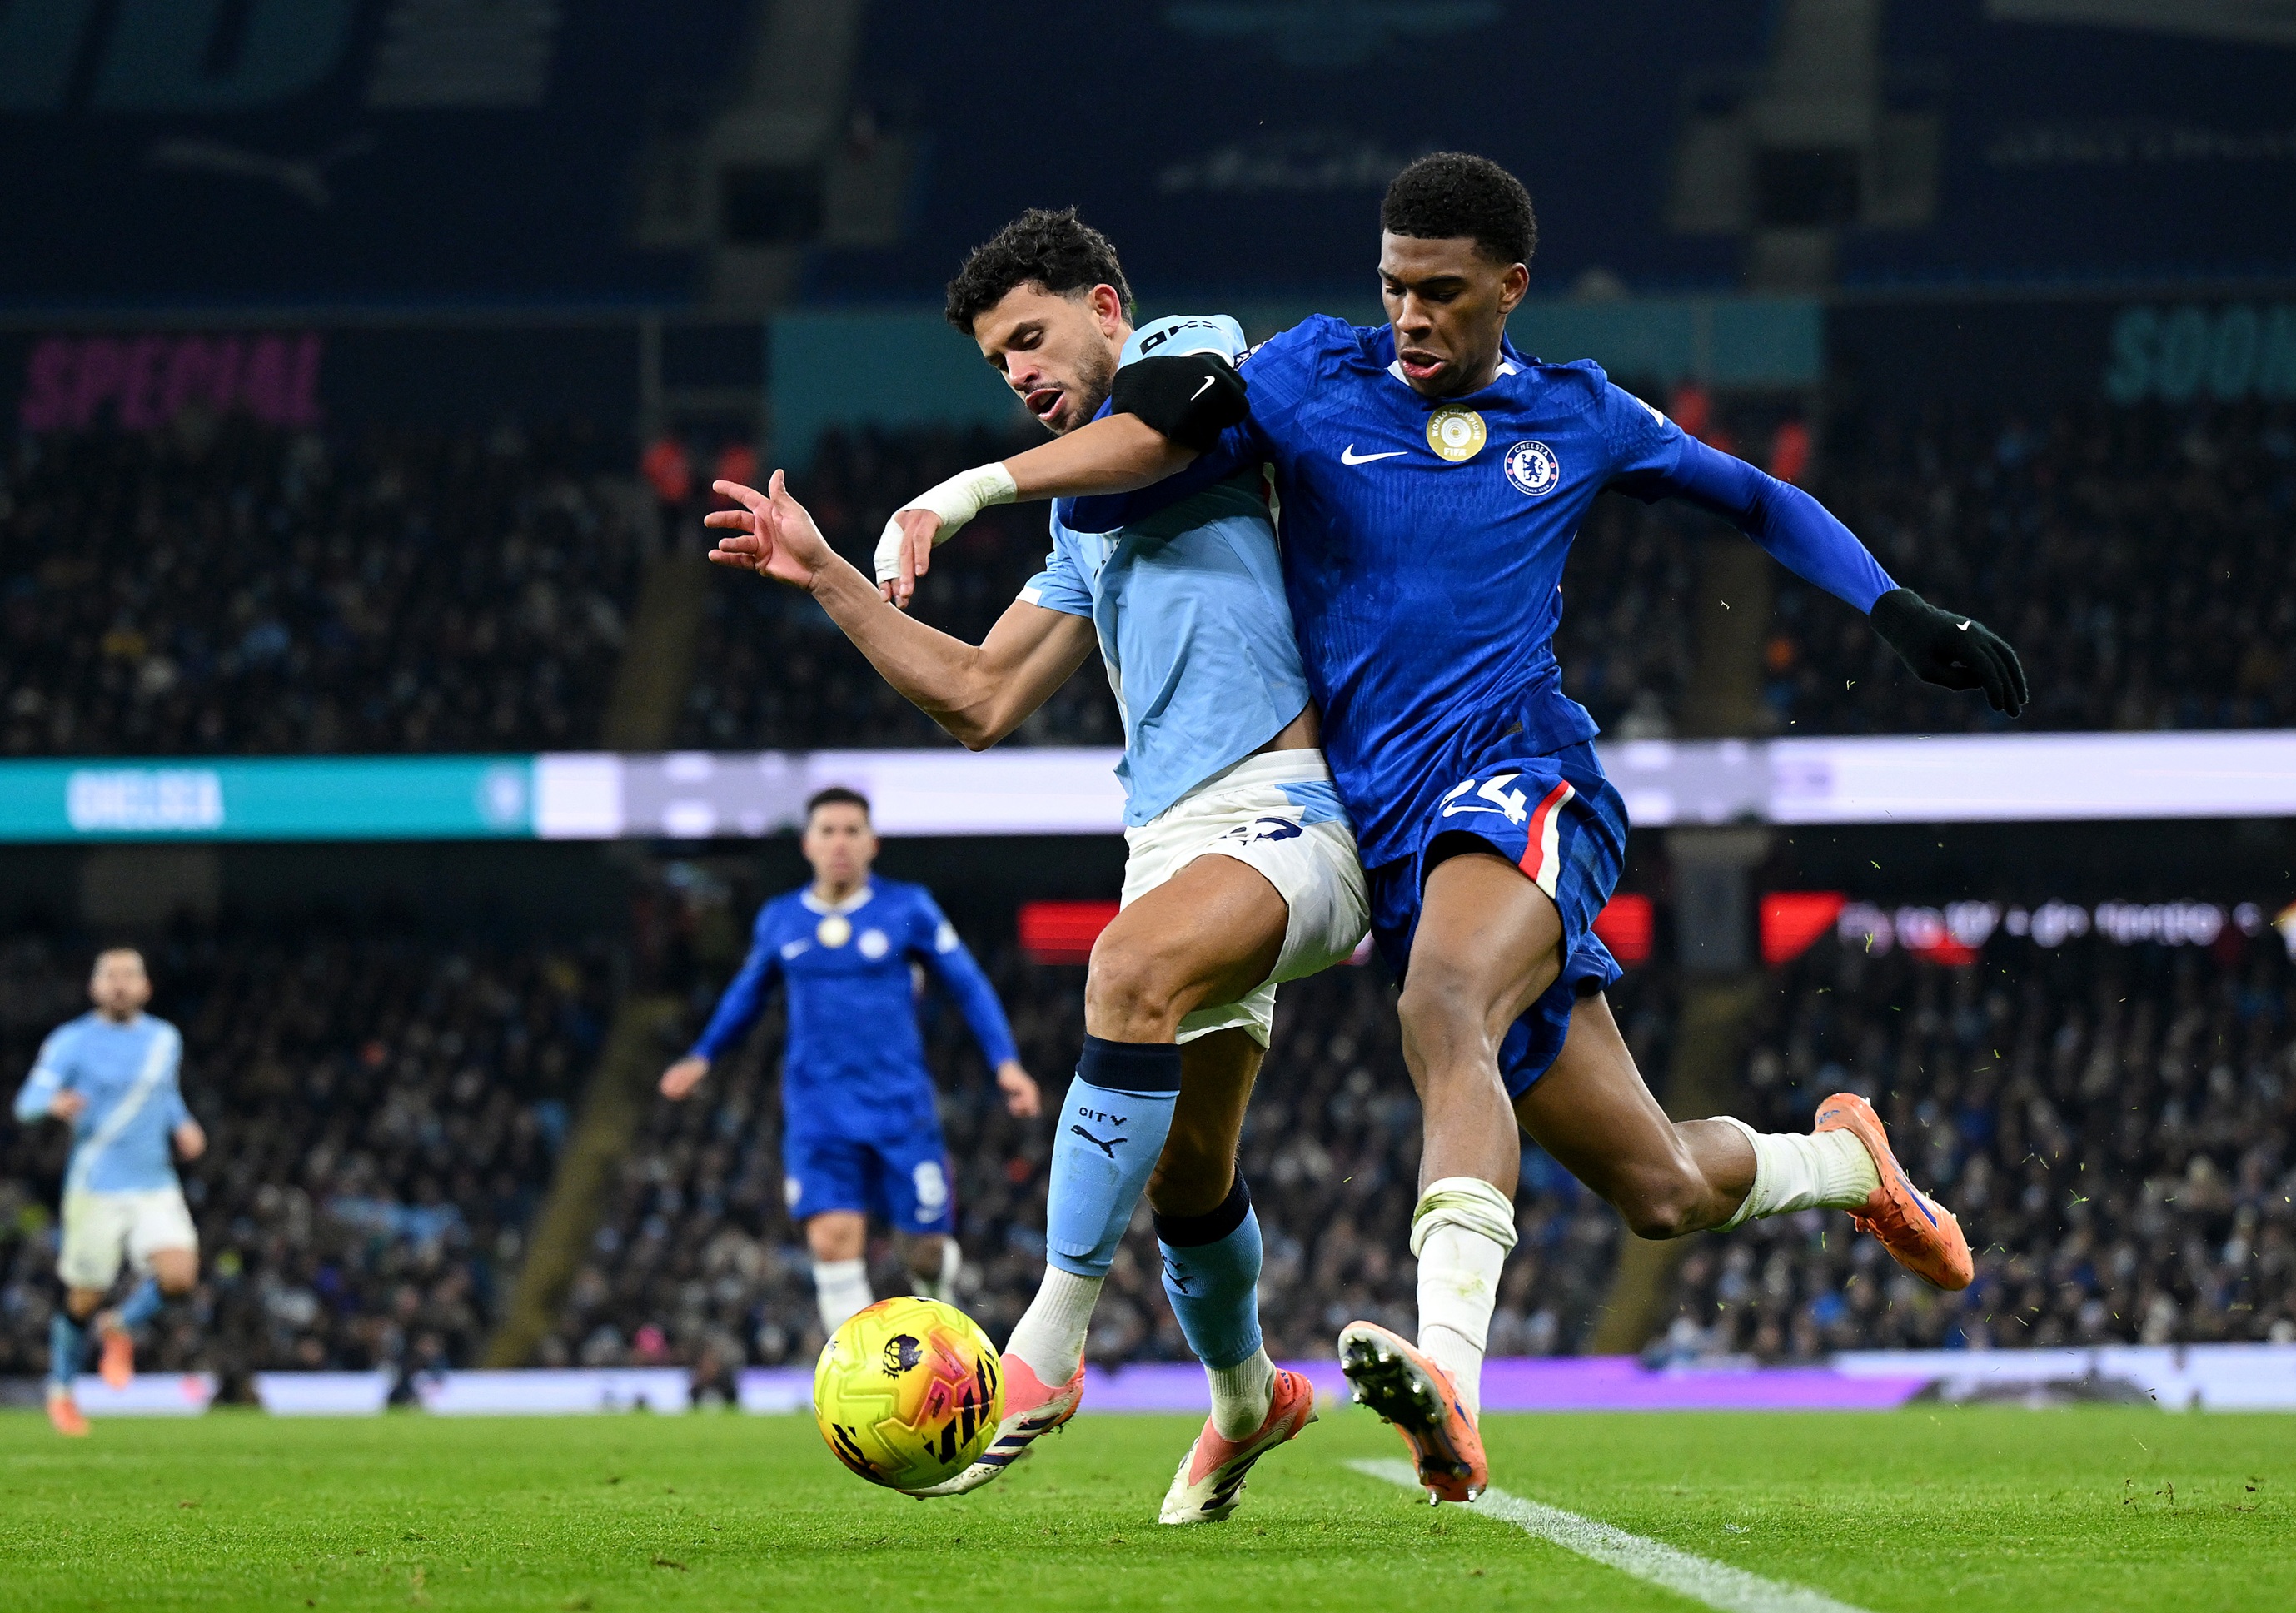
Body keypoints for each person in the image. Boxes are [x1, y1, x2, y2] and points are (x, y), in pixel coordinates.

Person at [864, 154, 2026, 1502]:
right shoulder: (1314, 378)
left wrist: (1897, 609)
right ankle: (1844, 1161)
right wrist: (972, 493)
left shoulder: (1579, 415)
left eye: (1441, 293)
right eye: (1393, 285)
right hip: (1397, 836)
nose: (1410, 316)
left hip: (1525, 775)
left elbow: (1753, 496)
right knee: (1658, 1182)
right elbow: (1156, 448)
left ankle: (1454, 1391)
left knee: (1445, 1003)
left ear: (1509, 289)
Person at [704, 208, 1367, 1523]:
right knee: (1189, 1175)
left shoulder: (1192, 362)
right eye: (995, 360)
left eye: (1029, 336)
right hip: (1171, 838)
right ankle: (1249, 1402)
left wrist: (954, 493)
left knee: (1121, 973)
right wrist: (834, 574)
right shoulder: (1086, 524)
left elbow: (1161, 428)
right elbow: (979, 697)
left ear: (1107, 307)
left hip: (1298, 808)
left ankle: (1046, 1352)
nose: (1013, 370)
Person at [660, 787, 1038, 1353]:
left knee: (923, 1251)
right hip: (818, 1110)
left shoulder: (907, 907)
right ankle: (865, 1377)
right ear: (808, 843)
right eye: (828, 830)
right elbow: (746, 994)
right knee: (833, 1241)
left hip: (899, 1106)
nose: (840, 842)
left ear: (872, 842)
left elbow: (967, 982)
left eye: (851, 830)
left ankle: (938, 1294)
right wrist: (702, 1054)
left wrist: (1005, 1062)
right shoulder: (781, 918)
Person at [12, 948, 207, 1438]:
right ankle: (61, 1393)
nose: (119, 984)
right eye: (110, 976)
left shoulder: (165, 1039)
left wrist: (183, 1125)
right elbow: (26, 1102)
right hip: (95, 1187)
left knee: (180, 1273)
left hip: (154, 1182)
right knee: (82, 1298)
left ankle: (118, 1324)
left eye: (129, 976)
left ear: (146, 987)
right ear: (94, 987)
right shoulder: (71, 1041)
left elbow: (163, 1095)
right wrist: (53, 1103)